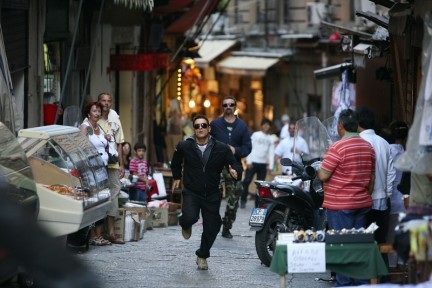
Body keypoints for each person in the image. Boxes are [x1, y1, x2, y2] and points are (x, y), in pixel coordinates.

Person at [170, 114, 243, 270]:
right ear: (194, 129)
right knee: (190, 217)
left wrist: (236, 171)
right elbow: (175, 161)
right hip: (191, 191)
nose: (200, 128)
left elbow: (234, 163)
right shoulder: (185, 145)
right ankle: (185, 224)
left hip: (211, 193)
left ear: (209, 128)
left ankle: (202, 255)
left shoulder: (221, 148)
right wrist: (176, 176)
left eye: (204, 125)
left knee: (213, 226)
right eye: (197, 126)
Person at [317, 108, 376, 286]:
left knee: (341, 246)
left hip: (341, 206)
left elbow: (323, 176)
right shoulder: (368, 147)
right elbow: (371, 178)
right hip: (362, 203)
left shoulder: (338, 147)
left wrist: (321, 168)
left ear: (340, 126)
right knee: (358, 246)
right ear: (356, 125)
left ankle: (343, 284)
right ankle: (360, 282)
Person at [209, 96, 251, 239]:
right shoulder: (214, 124)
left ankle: (226, 226)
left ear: (235, 107)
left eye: (231, 104)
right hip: (216, 166)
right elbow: (206, 142)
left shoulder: (242, 126)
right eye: (225, 104)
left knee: (234, 198)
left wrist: (236, 150)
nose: (228, 107)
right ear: (222, 107)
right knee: (214, 197)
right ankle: (212, 224)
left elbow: (248, 147)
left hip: (234, 165)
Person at [357, 107, 396, 246]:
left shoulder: (356, 142)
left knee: (361, 241)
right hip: (381, 200)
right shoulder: (384, 143)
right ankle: (379, 266)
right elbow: (391, 172)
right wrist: (387, 193)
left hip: (360, 201)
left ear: (358, 123)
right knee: (378, 240)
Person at [80, 101, 111, 246]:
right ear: (88, 113)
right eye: (94, 111)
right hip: (91, 171)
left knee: (102, 200)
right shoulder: (85, 127)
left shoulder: (100, 127)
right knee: (93, 201)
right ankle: (92, 235)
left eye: (99, 111)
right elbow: (81, 148)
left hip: (102, 169)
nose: (97, 113)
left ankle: (98, 235)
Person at [98, 92, 125, 245]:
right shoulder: (92, 119)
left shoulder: (115, 119)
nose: (106, 103)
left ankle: (111, 231)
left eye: (109, 101)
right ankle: (98, 232)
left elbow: (119, 143)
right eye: (103, 101)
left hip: (112, 162)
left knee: (114, 192)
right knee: (99, 195)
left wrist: (122, 164)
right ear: (98, 102)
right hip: (98, 164)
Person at [386, 121, 409, 268]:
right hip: (405, 201)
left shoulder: (387, 150)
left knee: (389, 238)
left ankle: (391, 269)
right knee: (403, 236)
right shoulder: (409, 154)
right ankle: (403, 269)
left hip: (391, 200)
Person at [241, 118, 274, 209]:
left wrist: (270, 165)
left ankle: (258, 203)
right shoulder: (256, 135)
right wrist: (249, 161)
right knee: (246, 181)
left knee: (260, 186)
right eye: (264, 124)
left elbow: (271, 152)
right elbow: (249, 147)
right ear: (261, 126)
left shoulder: (270, 138)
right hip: (253, 162)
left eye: (268, 125)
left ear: (269, 127)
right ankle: (243, 199)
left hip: (263, 164)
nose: (266, 126)